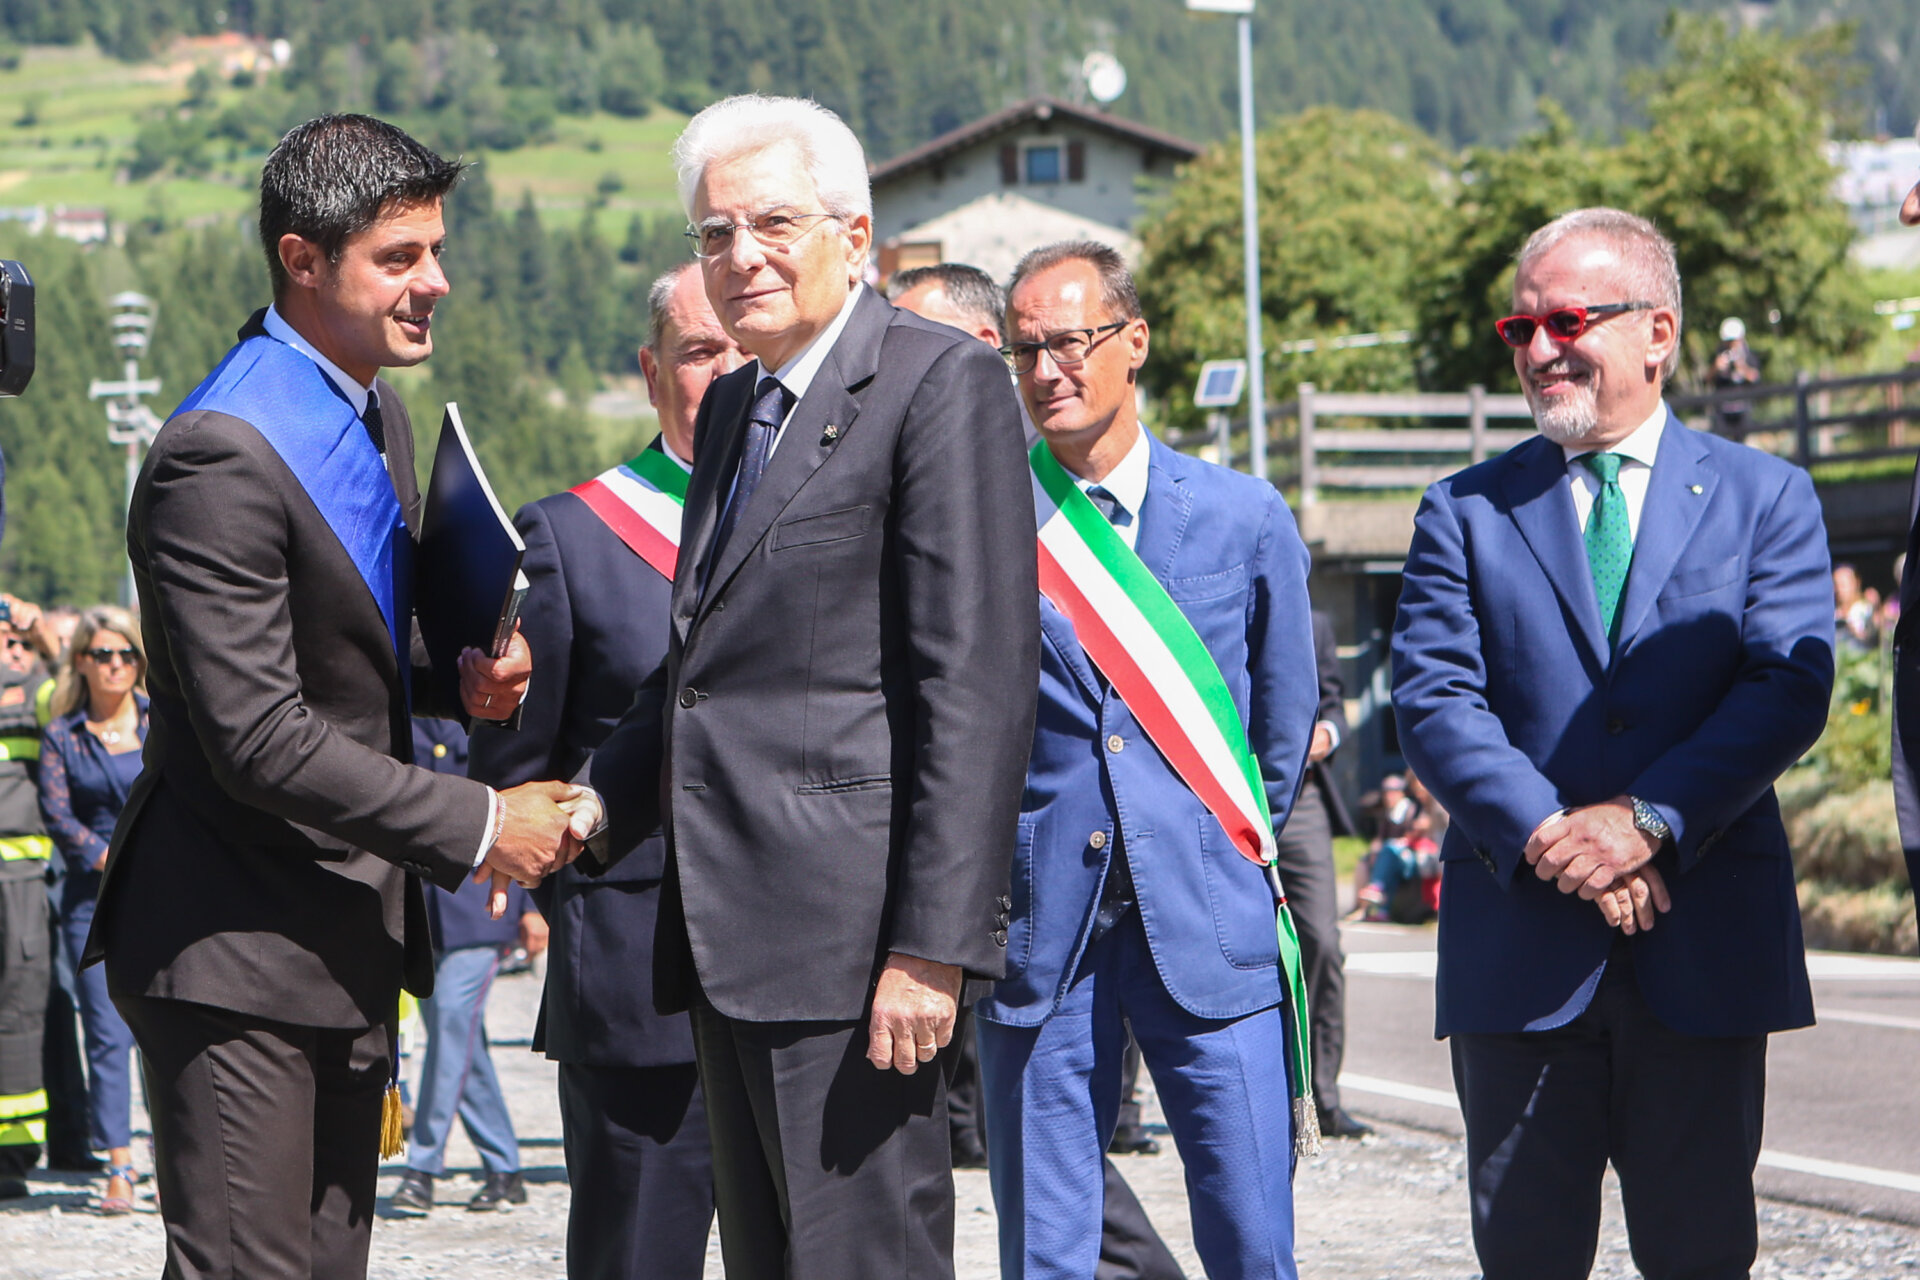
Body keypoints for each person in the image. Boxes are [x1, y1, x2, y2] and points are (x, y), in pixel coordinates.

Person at [83, 114, 594, 1279]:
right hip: (231, 945)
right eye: (401, 257)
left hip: (335, 932)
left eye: (436, 251)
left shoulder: (376, 410)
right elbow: (255, 734)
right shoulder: (219, 450)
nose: (438, 282)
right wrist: (478, 824)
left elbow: (359, 644)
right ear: (301, 260)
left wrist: (458, 674)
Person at [582, 95, 1039, 1280]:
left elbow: (975, 685)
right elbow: (702, 669)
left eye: (772, 222)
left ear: (855, 229)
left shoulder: (941, 385)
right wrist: (589, 805)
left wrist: (932, 947)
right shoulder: (738, 404)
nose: (741, 256)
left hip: (858, 948)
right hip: (731, 931)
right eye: (713, 233)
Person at [1392, 207, 1833, 1280]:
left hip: (1704, 944)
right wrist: (1557, 834)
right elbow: (1436, 699)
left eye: (1568, 319)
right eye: (1521, 327)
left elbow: (1786, 685)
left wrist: (1649, 821)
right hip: (1521, 956)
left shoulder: (1764, 495)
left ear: (1659, 332)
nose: (1540, 349)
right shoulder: (1463, 510)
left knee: (1701, 1252)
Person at [977, 240, 1317, 1280]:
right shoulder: (984, 515)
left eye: (1071, 342)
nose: (1047, 370)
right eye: (1025, 349)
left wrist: (1209, 838)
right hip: (1043, 931)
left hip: (1209, 921)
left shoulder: (1243, 513)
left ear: (1135, 343)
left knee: (1252, 1239)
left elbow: (1282, 725)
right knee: (1047, 1249)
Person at [889, 260, 1185, 1280]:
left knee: (1058, 1161)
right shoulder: (935, 496)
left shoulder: (1065, 498)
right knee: (1028, 1173)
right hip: (957, 891)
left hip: (1093, 893)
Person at [466, 262, 739, 1279]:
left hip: (798, 965)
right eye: (701, 351)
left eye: (747, 352)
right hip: (638, 977)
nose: (727, 372)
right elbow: (516, 764)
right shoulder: (574, 532)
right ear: (651, 369)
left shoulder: (824, 515)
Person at [391, 718, 546, 1215]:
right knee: (463, 1048)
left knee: (454, 1029)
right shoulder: (407, 713)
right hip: (427, 912)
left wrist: (532, 908)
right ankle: (505, 1168)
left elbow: (519, 814)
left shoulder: (491, 718)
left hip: (482, 910)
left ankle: (422, 1168)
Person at [37, 607, 147, 1212]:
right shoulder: (62, 735)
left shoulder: (163, 723)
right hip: (93, 898)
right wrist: (109, 857)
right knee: (106, 1035)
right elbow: (58, 816)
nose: (116, 665)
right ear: (82, 660)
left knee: (173, 1030)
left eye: (127, 653)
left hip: (165, 896)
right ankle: (121, 1165)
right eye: (104, 654)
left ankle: (181, 1157)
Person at [1282, 609, 1367, 1138]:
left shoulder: (1314, 624)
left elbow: (1334, 703)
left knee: (1322, 942)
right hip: (1226, 796)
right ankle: (1127, 1113)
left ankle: (1322, 1102)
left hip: (1302, 796)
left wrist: (1328, 734)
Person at [0, 597, 52, 1200]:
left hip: (18, 879)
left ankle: (11, 1153)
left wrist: (42, 630)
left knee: (17, 1009)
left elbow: (79, 689)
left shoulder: (34, 691)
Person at [1708, 317, 1760, 437]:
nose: (1731, 344)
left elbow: (1755, 378)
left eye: (1734, 340)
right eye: (1728, 340)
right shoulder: (1718, 355)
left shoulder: (1748, 356)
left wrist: (1741, 367)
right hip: (1722, 411)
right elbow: (1707, 379)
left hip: (1743, 410)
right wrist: (1716, 367)